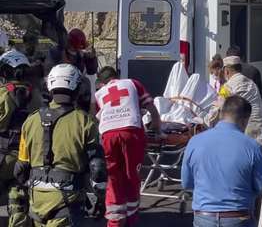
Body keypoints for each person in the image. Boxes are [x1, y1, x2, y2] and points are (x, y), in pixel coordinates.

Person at [14, 64, 107, 227]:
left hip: (36, 203)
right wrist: (100, 199)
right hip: (67, 202)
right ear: (78, 88)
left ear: (50, 86)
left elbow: (21, 168)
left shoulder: (30, 121)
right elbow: (97, 168)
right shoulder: (85, 122)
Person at [182, 95, 262, 227]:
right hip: (238, 217)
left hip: (203, 216)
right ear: (244, 120)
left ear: (221, 114)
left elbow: (186, 183)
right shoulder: (253, 147)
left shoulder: (194, 142)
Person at [94, 66, 160, 227]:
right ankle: (131, 219)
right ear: (117, 76)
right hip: (131, 132)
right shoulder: (133, 83)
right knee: (131, 177)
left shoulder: (99, 94)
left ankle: (115, 221)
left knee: (114, 178)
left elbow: (96, 118)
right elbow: (152, 110)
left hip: (108, 135)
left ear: (102, 83)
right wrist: (156, 128)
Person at [0, 50, 32, 227]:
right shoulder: (35, 95)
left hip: (3, 156)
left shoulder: (4, 94)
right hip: (24, 158)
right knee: (18, 199)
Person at [214, 56, 262, 146]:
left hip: (243, 138)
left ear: (226, 71)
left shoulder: (227, 87)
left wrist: (204, 121)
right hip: (259, 136)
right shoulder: (252, 84)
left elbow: (215, 113)